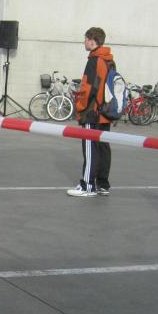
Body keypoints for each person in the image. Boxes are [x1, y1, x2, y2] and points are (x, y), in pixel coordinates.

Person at [67, 27, 114, 197]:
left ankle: (87, 185)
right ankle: (102, 184)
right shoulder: (109, 60)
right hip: (105, 112)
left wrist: (79, 108)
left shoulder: (94, 60)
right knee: (103, 147)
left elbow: (87, 88)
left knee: (90, 147)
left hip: (92, 112)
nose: (84, 42)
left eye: (85, 39)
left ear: (92, 40)